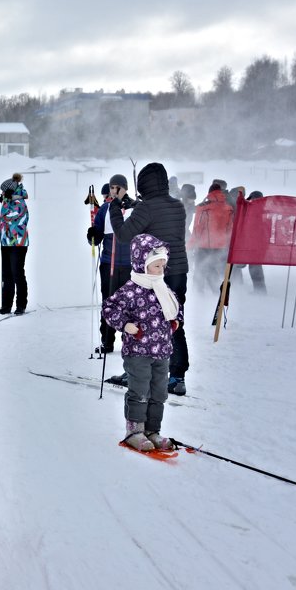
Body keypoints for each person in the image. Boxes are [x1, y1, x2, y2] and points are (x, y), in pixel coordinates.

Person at [108, 163, 190, 396]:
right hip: (178, 272)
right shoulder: (178, 206)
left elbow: (124, 235)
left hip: (152, 275)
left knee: (142, 322)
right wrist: (136, 205)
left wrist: (115, 206)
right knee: (172, 321)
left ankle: (136, 372)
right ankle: (177, 376)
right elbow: (157, 217)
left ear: (144, 184)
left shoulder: (147, 208)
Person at [101, 234, 181, 452]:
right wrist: (126, 325)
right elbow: (109, 308)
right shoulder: (130, 290)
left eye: (163, 265)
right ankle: (135, 431)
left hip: (162, 350)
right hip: (137, 351)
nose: (161, 269)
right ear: (142, 264)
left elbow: (176, 309)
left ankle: (152, 430)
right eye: (157, 265)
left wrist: (175, 322)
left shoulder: (163, 288)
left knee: (159, 392)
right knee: (140, 390)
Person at [87, 174, 135, 354]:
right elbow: (96, 237)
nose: (114, 191)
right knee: (109, 302)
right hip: (109, 263)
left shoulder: (134, 208)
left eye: (118, 187)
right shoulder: (105, 209)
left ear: (125, 188)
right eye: (112, 187)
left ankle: (128, 340)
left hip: (131, 265)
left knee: (130, 304)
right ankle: (107, 341)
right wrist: (93, 235)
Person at [187, 182, 234, 294]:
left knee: (199, 270)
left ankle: (198, 294)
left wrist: (190, 245)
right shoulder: (229, 208)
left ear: (209, 193)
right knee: (213, 270)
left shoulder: (203, 208)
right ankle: (217, 293)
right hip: (220, 247)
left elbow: (197, 229)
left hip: (204, 245)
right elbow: (230, 230)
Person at [0, 172, 29, 315]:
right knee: (6, 275)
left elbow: (8, 216)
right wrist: (5, 200)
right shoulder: (9, 201)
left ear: (10, 190)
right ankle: (6, 305)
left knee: (17, 274)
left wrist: (7, 201)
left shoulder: (19, 202)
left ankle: (21, 305)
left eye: (3, 190)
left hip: (18, 243)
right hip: (6, 242)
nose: (2, 193)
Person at [245, 191, 268, 293]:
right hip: (251, 244)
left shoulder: (258, 211)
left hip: (256, 245)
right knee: (254, 268)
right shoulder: (251, 209)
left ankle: (260, 292)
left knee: (255, 268)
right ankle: (259, 290)